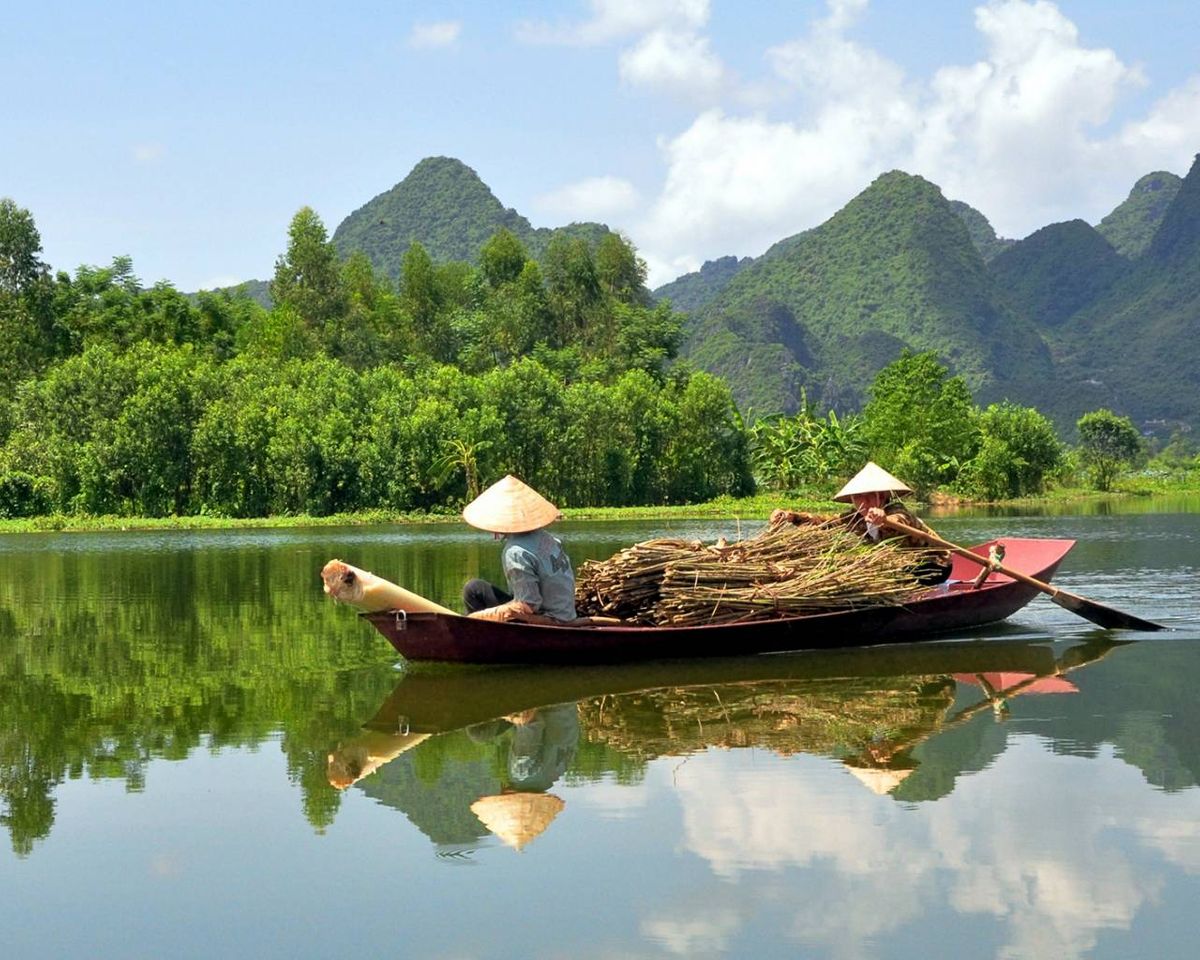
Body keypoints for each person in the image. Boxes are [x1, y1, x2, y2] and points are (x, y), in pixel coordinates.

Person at [770, 461, 953, 585]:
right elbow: (823, 522)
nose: (863, 501)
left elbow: (899, 521)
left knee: (879, 573)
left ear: (880, 496)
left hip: (933, 565)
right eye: (858, 497)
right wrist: (791, 516)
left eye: (868, 495)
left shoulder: (896, 511)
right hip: (898, 566)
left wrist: (884, 520)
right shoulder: (854, 517)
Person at [461, 474, 577, 622]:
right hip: (566, 614)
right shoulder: (547, 538)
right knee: (475, 588)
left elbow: (529, 605)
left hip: (547, 619)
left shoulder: (516, 552)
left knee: (472, 593)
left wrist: (483, 615)